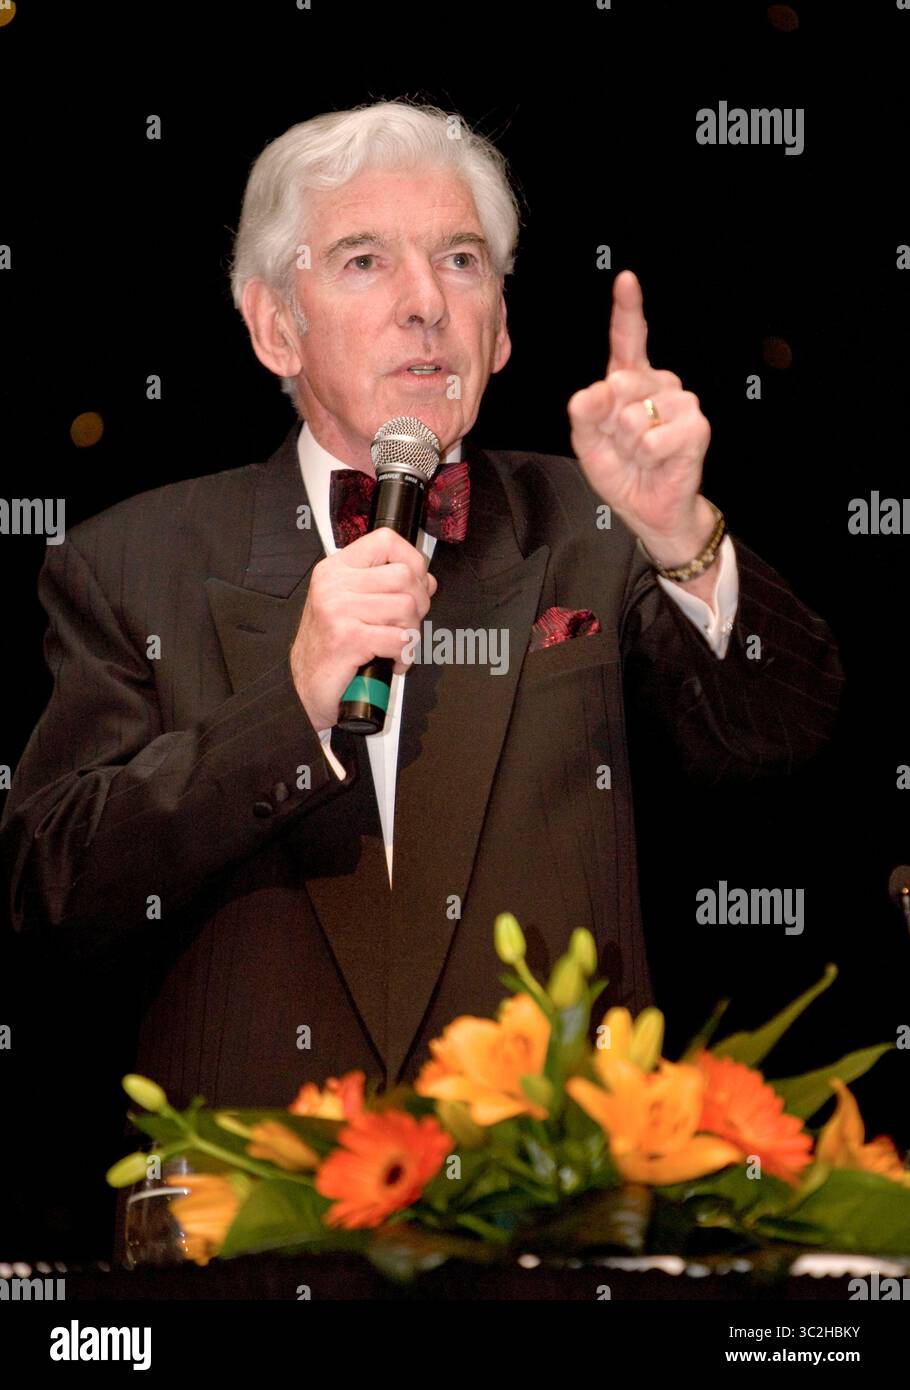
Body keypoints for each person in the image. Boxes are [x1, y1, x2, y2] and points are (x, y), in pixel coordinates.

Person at [0, 100, 843, 1129]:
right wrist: (289, 707)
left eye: (459, 260)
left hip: (557, 1204)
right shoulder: (127, 561)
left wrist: (680, 533)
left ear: (499, 330)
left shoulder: (594, 522)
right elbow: (46, 887)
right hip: (259, 1214)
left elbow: (780, 734)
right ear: (274, 325)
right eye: (363, 261)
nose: (424, 305)